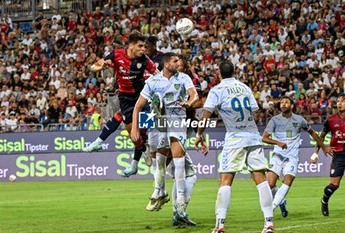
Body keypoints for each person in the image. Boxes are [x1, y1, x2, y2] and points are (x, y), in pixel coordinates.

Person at [194, 60, 274, 233]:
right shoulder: (245, 87)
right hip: (253, 135)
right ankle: (268, 223)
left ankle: (220, 225)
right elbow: (255, 111)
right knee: (260, 177)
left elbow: (206, 115)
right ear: (234, 71)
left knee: (225, 180)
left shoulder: (217, 90)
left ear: (218, 73)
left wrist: (199, 135)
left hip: (235, 138)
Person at [131, 52, 199, 225]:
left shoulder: (183, 78)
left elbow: (194, 95)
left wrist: (189, 102)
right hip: (160, 125)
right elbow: (138, 106)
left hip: (178, 123)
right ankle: (159, 191)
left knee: (179, 164)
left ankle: (180, 206)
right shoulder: (153, 81)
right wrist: (134, 128)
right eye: (175, 61)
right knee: (159, 163)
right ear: (166, 63)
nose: (178, 63)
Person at [83, 32, 158, 178]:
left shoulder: (144, 60)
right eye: (140, 46)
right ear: (130, 46)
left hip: (142, 96)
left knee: (139, 131)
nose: (143, 49)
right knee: (133, 134)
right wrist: (100, 67)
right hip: (125, 97)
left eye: (145, 46)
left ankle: (101, 143)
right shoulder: (116, 54)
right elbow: (94, 66)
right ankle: (139, 156)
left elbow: (157, 74)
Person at [262, 96, 332, 217]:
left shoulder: (299, 120)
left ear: (292, 106)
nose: (283, 104)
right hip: (277, 156)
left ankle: (271, 209)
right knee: (270, 185)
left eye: (286, 102)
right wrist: (278, 143)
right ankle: (282, 202)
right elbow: (264, 138)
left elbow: (313, 134)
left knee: (288, 180)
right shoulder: (274, 120)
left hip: (292, 157)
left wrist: (323, 147)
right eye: (282, 102)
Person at [310, 94, 345, 216]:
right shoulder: (331, 120)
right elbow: (321, 137)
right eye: (338, 101)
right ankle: (324, 200)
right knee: (334, 184)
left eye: (343, 101)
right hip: (339, 155)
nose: (340, 103)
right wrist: (316, 152)